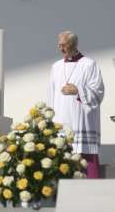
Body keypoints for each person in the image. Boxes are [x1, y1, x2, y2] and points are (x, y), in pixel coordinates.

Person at [48, 31, 104, 178]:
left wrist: (78, 90)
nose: (61, 48)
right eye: (59, 45)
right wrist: (49, 119)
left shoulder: (89, 64)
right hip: (61, 121)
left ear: (74, 44)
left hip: (81, 123)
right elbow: (50, 95)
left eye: (64, 45)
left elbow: (98, 92)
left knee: (86, 161)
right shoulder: (56, 67)